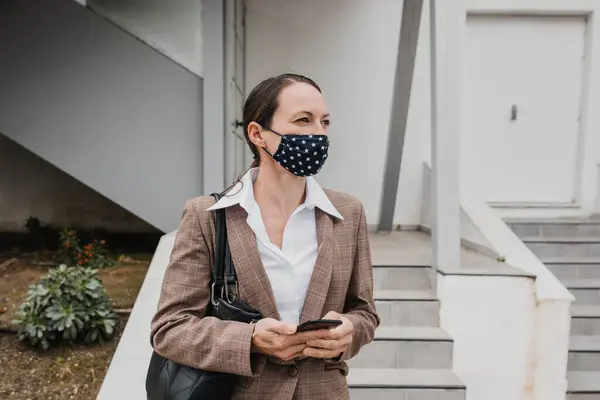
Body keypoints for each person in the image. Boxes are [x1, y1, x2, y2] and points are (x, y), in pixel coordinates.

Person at [150, 73, 379, 400]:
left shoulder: (348, 213)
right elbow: (170, 329)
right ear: (258, 134)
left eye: (324, 122)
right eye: (303, 120)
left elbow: (365, 312)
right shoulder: (208, 217)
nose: (318, 133)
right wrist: (250, 339)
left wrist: (349, 332)